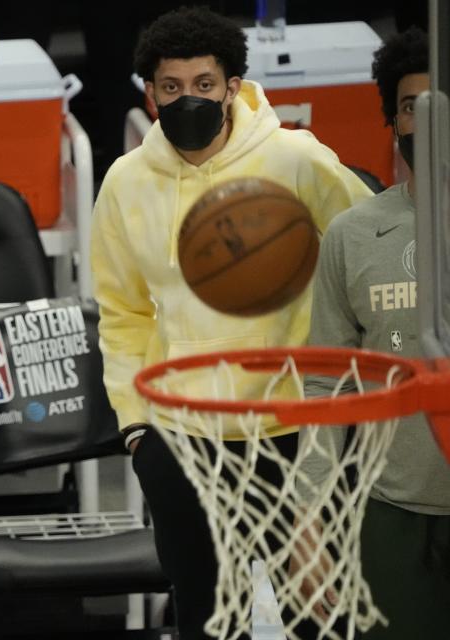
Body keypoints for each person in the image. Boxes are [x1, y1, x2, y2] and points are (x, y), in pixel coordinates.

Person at [89, 6, 372, 639]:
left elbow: (370, 250)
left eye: (204, 85)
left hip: (296, 435)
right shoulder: (125, 182)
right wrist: (138, 428)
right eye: (171, 88)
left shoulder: (297, 159)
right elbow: (124, 313)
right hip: (183, 442)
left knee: (320, 619)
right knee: (206, 623)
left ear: (233, 88)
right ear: (151, 95)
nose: (188, 98)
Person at [300, 27, 450, 638]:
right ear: (393, 122)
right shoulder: (353, 235)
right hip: (390, 512)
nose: (425, 122)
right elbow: (320, 383)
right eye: (411, 108)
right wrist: (308, 510)